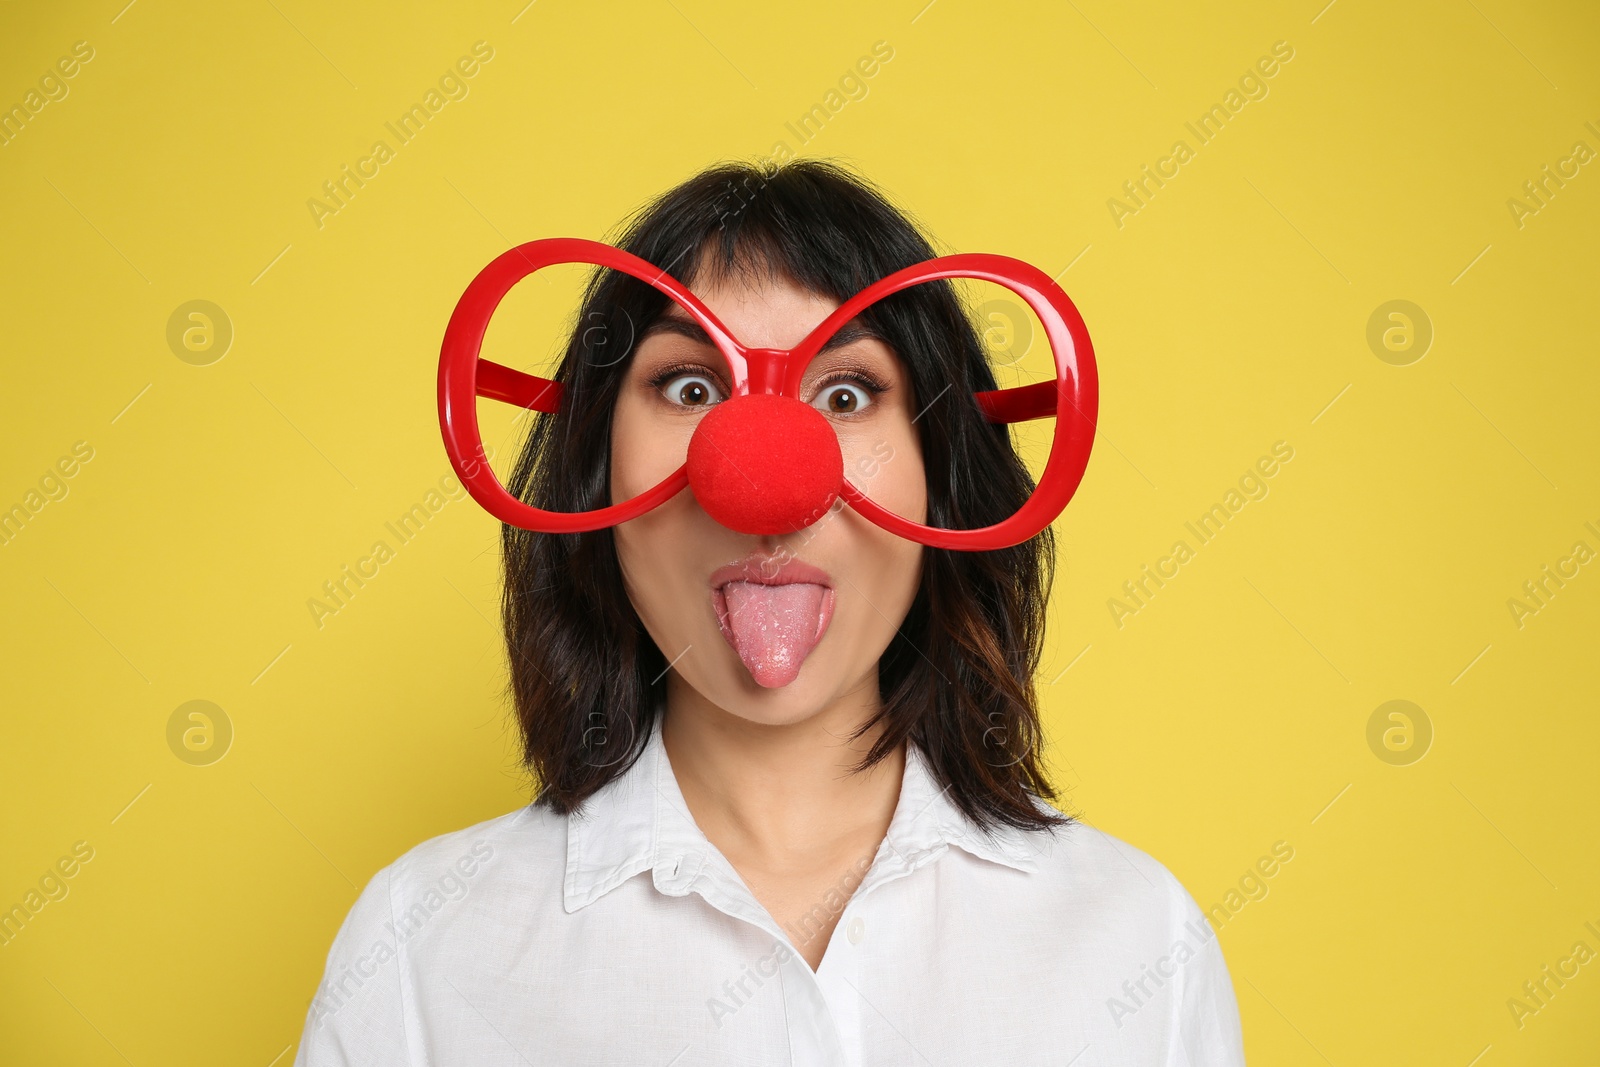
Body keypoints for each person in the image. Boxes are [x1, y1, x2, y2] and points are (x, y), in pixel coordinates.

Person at [293, 159, 1245, 1065]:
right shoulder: (422, 945)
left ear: (940, 478)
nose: (764, 476)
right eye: (692, 387)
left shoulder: (1138, 940)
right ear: (595, 468)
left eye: (846, 392)